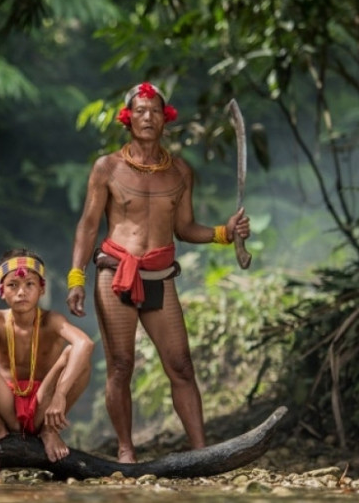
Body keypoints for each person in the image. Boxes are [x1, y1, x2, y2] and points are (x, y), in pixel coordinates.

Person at [66, 82, 251, 463]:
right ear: (127, 118)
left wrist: (223, 232)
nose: (147, 117)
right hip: (115, 272)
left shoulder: (181, 172)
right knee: (121, 365)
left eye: (155, 111)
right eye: (140, 110)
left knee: (181, 365)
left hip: (160, 276)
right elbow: (87, 226)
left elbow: (185, 229)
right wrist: (75, 277)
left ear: (165, 120)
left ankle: (202, 453)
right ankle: (126, 450)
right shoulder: (108, 168)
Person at [0, 249, 95, 462]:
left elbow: (85, 343)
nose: (21, 292)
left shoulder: (52, 320)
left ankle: (49, 432)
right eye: (13, 285)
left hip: (44, 406)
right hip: (5, 404)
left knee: (78, 356)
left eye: (29, 284)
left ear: (41, 289)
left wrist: (60, 394)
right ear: (1, 291)